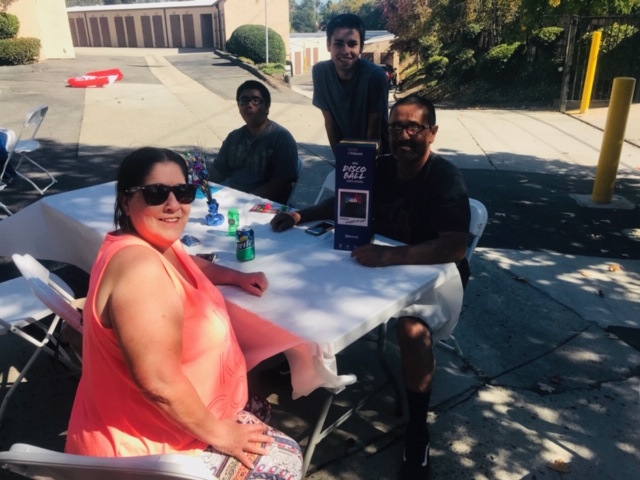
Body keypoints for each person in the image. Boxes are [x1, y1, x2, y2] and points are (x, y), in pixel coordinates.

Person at [66, 147, 303, 480]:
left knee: (260, 410)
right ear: (125, 200)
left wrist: (235, 277)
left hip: (170, 424)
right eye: (156, 193)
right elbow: (160, 382)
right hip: (148, 455)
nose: (173, 204)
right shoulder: (139, 270)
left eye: (183, 191)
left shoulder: (149, 240)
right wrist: (223, 434)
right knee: (287, 459)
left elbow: (187, 260)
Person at [270, 95, 470, 479]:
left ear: (432, 133)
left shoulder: (445, 177)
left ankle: (417, 431)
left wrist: (389, 257)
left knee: (411, 332)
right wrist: (298, 214)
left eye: (413, 127)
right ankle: (291, 356)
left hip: (431, 273)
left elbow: (455, 246)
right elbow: (342, 202)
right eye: (396, 127)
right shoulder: (378, 167)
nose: (404, 135)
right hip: (375, 261)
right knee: (304, 273)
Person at [312, 13, 390, 156]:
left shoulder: (375, 76)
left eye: (352, 44)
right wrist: (341, 161)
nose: (346, 51)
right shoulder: (320, 73)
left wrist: (365, 168)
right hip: (346, 150)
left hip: (380, 155)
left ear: (361, 48)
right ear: (329, 45)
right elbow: (330, 123)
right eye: (339, 43)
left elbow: (374, 129)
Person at [210, 80, 299, 205]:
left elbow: (282, 183)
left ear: (267, 107)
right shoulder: (233, 137)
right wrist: (197, 180)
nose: (249, 105)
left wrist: (246, 200)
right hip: (232, 201)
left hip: (265, 206)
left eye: (256, 100)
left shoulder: (281, 139)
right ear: (239, 107)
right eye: (244, 100)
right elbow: (219, 170)